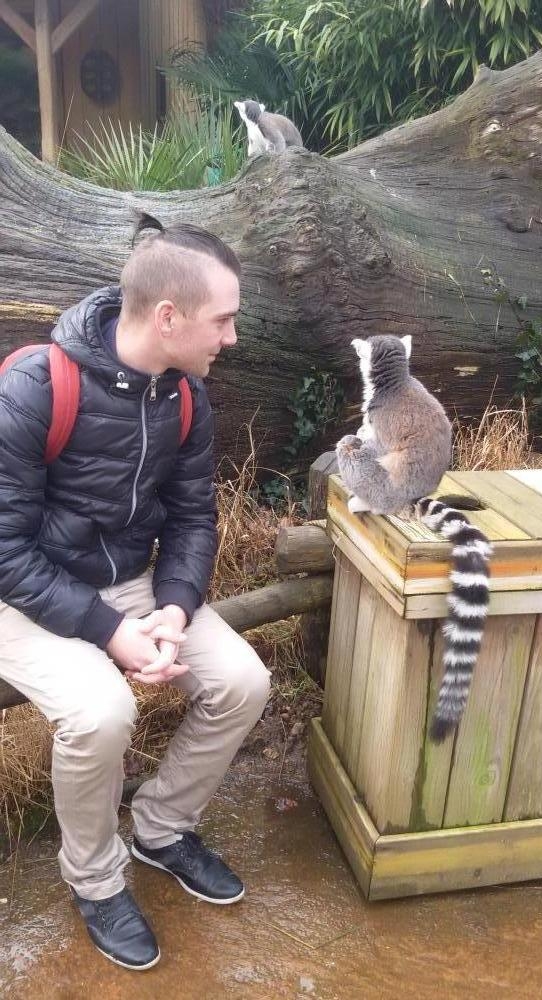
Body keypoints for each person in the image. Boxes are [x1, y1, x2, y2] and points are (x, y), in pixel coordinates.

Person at [0, 214, 271, 971]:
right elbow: (5, 550)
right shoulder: (35, 386)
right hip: (21, 594)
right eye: (224, 320)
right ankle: (95, 879)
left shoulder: (183, 396)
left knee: (243, 680)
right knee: (101, 711)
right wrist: (112, 633)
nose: (232, 338)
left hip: (131, 585)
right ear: (168, 317)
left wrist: (175, 608)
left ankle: (161, 827)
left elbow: (192, 518)